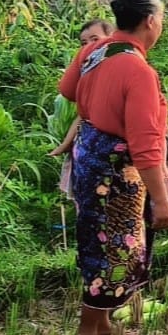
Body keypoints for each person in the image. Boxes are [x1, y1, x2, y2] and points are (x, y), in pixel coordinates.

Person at [58, 0, 168, 335]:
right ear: (150, 22)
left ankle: (103, 323)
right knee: (116, 250)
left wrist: (98, 101)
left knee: (95, 239)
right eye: (162, 19)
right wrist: (161, 200)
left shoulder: (96, 51)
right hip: (114, 172)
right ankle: (86, 333)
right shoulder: (138, 70)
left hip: (89, 157)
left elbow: (67, 89)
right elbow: (144, 143)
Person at [51, 19, 114, 202]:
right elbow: (84, 114)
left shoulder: (122, 66)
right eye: (84, 43)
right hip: (91, 154)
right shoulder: (90, 72)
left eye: (95, 39)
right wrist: (65, 145)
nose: (89, 47)